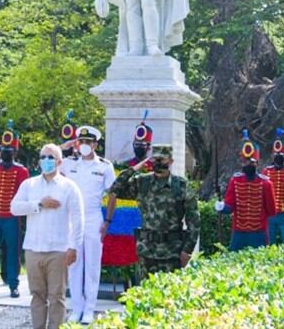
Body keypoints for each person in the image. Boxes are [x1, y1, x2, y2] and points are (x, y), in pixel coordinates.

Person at [11, 143, 84, 329]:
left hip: (58, 250)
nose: (46, 161)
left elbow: (78, 219)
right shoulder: (29, 184)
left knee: (57, 297)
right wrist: (39, 204)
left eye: (50, 157)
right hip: (33, 249)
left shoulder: (69, 187)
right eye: (43, 157)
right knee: (37, 296)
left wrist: (74, 247)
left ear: (59, 161)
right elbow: (14, 208)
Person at [108, 144, 200, 278]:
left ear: (170, 161)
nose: (158, 163)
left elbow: (194, 222)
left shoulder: (181, 185)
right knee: (145, 293)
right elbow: (114, 190)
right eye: (155, 159)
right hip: (146, 251)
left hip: (172, 252)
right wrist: (133, 169)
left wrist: (187, 250)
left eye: (162, 160)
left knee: (169, 295)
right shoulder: (141, 182)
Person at [59, 126, 116, 324]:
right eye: (81, 141)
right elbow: (50, 160)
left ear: (95, 144)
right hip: (73, 219)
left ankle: (90, 308)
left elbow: (113, 194)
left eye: (88, 142)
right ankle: (76, 308)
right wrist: (64, 146)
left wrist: (107, 221)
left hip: (93, 218)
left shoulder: (104, 166)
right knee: (73, 264)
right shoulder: (69, 163)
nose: (84, 145)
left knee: (92, 264)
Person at [102, 121, 154, 278]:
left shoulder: (154, 167)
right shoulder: (126, 166)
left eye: (143, 144)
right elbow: (115, 190)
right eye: (137, 143)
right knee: (128, 255)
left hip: (148, 217)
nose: (139, 146)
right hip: (128, 219)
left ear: (149, 147)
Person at [0, 123, 29, 297]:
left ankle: (13, 284)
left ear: (15, 152)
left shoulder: (21, 171)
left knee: (12, 252)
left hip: (12, 218)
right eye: (3, 150)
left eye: (9, 150)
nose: (5, 153)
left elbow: (24, 194)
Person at [215, 130, 277, 251]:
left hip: (259, 232)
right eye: (245, 161)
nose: (248, 164)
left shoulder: (266, 183)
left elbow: (272, 211)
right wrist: (222, 207)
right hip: (239, 232)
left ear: (257, 163)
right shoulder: (235, 180)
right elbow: (230, 205)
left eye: (251, 162)